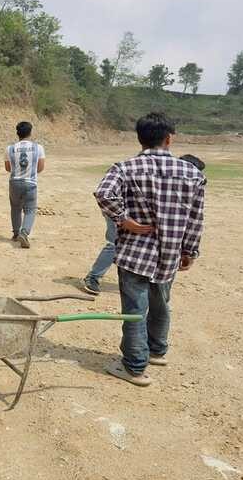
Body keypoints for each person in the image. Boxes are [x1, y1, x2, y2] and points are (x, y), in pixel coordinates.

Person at [94, 112, 206, 387]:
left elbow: (104, 193)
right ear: (169, 139)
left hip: (134, 253)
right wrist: (189, 251)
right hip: (169, 254)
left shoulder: (125, 167)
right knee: (160, 304)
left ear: (140, 138)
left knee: (135, 309)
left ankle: (134, 366)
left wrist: (123, 220)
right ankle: (156, 351)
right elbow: (195, 218)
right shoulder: (192, 173)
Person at [82, 154, 206, 296]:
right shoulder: (161, 172)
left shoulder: (173, 177)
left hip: (134, 215)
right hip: (120, 211)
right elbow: (105, 194)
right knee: (114, 244)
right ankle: (93, 277)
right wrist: (122, 218)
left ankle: (143, 279)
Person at [5, 121, 45, 248]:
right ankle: (24, 232)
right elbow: (40, 168)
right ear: (30, 132)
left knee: (15, 208)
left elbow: (7, 168)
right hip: (30, 182)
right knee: (30, 210)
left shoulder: (10, 148)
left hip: (14, 182)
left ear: (17, 133)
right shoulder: (38, 148)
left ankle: (16, 233)